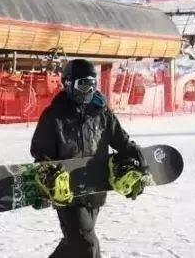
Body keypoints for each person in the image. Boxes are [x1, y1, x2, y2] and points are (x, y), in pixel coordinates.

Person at [31, 59, 147, 258]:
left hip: (95, 189)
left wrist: (138, 161)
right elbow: (41, 152)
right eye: (83, 83)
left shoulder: (102, 114)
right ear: (68, 84)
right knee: (87, 244)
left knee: (73, 243)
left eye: (93, 83)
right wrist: (47, 175)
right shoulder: (54, 116)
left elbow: (121, 141)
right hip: (66, 193)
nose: (88, 89)